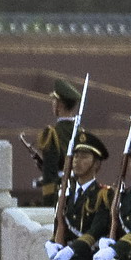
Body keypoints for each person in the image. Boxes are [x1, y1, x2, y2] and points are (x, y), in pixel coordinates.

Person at [45, 129, 113, 260]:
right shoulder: (66, 193)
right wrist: (52, 244)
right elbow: (60, 227)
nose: (77, 160)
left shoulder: (104, 195)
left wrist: (72, 248)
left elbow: (98, 228)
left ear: (97, 163)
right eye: (75, 155)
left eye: (84, 156)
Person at [29, 78, 81, 206]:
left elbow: (50, 173)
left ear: (60, 105)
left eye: (54, 100)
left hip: (60, 194)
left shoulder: (52, 133)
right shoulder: (82, 133)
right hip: (79, 193)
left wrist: (48, 202)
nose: (53, 104)